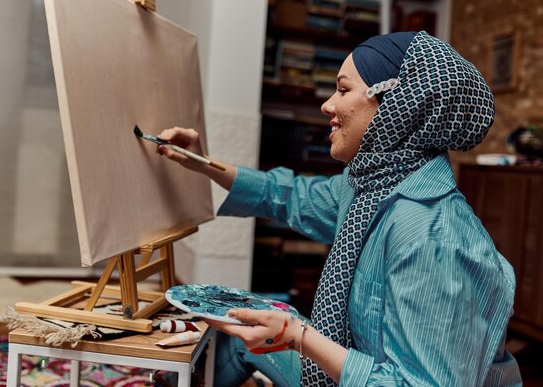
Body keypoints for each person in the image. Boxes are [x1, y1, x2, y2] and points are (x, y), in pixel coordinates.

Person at [156, 31, 522, 386]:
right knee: (239, 331)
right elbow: (288, 195)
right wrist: (202, 162)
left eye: (344, 90)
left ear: (395, 105)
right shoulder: (369, 186)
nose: (327, 104)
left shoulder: (432, 237)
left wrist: (298, 336)